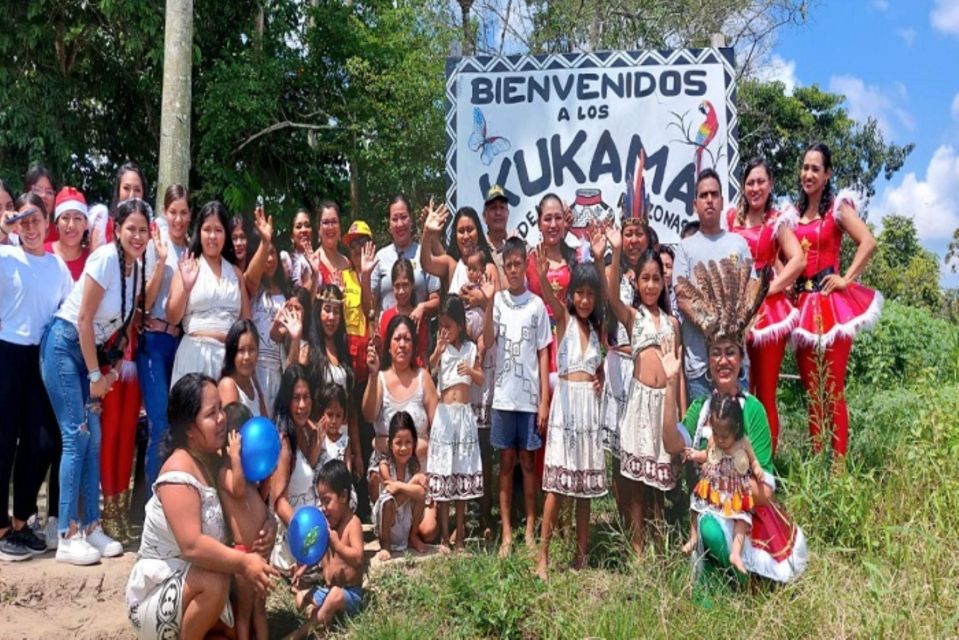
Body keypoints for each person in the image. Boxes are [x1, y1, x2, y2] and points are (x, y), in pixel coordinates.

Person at [665, 254, 808, 587]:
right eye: (716, 353)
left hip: (746, 515)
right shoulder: (701, 407)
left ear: (742, 358)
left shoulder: (753, 409)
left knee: (714, 527)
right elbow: (675, 445)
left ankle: (743, 578)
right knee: (708, 528)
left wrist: (725, 491)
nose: (722, 360)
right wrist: (669, 386)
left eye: (730, 352)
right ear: (709, 360)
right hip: (709, 510)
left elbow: (764, 489)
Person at [41, 198, 152, 565]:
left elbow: (118, 329)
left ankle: (91, 526)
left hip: (91, 357)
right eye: (131, 228)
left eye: (143, 230)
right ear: (117, 229)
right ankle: (67, 533)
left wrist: (109, 371)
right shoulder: (105, 259)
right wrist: (94, 375)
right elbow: (85, 320)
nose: (137, 236)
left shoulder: (135, 269)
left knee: (95, 437)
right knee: (77, 435)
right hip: (63, 348)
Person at [126, 373, 278, 639]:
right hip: (158, 592)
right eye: (211, 414)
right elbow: (192, 545)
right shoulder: (177, 473)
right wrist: (244, 561)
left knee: (244, 622)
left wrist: (268, 527)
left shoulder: (214, 460)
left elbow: (246, 502)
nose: (222, 419)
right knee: (215, 582)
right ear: (189, 429)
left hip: (193, 583)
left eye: (221, 409)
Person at [790, 143, 881, 457]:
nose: (808, 174)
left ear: (827, 174)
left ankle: (839, 468)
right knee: (812, 392)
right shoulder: (793, 216)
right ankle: (817, 461)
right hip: (802, 307)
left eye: (816, 168)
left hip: (832, 306)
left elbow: (868, 242)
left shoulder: (837, 210)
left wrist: (846, 278)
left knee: (833, 389)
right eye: (805, 167)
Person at [0, 195, 73, 562]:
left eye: (36, 221)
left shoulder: (59, 268)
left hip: (41, 358)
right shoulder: (5, 257)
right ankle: (1, 529)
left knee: (42, 441)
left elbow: (70, 311)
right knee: (2, 440)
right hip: (6, 353)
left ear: (48, 223)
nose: (30, 228)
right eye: (23, 222)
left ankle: (20, 520)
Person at [535, 231, 609, 579]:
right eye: (578, 293)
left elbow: (602, 366)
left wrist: (602, 377)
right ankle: (543, 557)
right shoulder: (563, 321)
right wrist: (539, 273)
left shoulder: (597, 331)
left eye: (589, 294)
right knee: (556, 487)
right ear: (570, 295)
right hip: (566, 410)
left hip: (589, 411)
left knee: (584, 491)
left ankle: (581, 556)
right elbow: (551, 298)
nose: (584, 300)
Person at [606, 228, 683, 555]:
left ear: (664, 282)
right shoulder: (632, 317)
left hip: (663, 408)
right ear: (636, 282)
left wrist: (680, 416)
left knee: (659, 483)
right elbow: (610, 296)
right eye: (645, 279)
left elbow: (676, 375)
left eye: (656, 279)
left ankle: (659, 544)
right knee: (637, 483)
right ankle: (637, 547)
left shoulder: (672, 323)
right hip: (638, 405)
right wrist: (617, 251)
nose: (651, 285)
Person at [726, 158, 805, 452]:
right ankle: (739, 463)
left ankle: (767, 470)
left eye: (761, 181)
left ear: (770, 184)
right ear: (743, 186)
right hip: (736, 309)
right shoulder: (731, 218)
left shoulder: (776, 221)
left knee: (766, 393)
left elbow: (798, 259)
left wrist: (771, 288)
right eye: (750, 182)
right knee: (740, 389)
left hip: (769, 312)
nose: (755, 187)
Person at [483, 236, 552, 557]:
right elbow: (486, 340)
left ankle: (529, 528)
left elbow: (542, 354)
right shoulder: (497, 302)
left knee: (527, 463)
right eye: (507, 265)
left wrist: (543, 402)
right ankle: (507, 532)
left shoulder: (537, 305)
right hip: (503, 398)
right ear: (504, 267)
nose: (512, 270)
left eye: (517, 264)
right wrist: (485, 303)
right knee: (506, 463)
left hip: (528, 400)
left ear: (526, 265)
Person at [673, 169, 751, 401]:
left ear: (722, 201)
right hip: (700, 364)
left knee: (737, 432)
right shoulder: (685, 248)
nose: (709, 200)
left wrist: (730, 330)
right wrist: (713, 326)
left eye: (714, 194)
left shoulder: (738, 244)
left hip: (735, 363)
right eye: (704, 195)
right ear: (694, 203)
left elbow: (751, 291)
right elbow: (682, 297)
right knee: (702, 433)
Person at [601, 208, 656, 514]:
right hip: (618, 366)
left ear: (647, 236)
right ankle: (625, 521)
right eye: (628, 233)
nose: (633, 240)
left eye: (639, 233)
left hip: (647, 369)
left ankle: (649, 519)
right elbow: (608, 301)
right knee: (621, 452)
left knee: (646, 445)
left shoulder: (654, 273)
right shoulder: (614, 271)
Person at [138, 185, 191, 494]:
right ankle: (150, 505)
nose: (179, 219)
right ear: (164, 212)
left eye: (184, 212)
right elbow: (144, 301)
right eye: (173, 212)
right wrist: (160, 262)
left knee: (178, 426)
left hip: (180, 344)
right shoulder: (155, 244)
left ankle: (173, 499)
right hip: (153, 342)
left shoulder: (192, 248)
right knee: (159, 424)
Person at [167, 200, 250, 386]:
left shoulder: (236, 274)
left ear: (226, 235)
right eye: (207, 229)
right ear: (199, 232)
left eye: (218, 230)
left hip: (228, 361)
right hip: (194, 355)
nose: (212, 236)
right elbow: (172, 317)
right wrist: (186, 287)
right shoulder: (188, 265)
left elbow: (246, 323)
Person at [682, 394, 765, 574]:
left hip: (735, 490)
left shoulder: (743, 443)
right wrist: (696, 455)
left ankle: (735, 552)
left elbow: (754, 461)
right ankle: (694, 537)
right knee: (696, 508)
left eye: (724, 437)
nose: (720, 440)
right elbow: (707, 455)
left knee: (741, 521)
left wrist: (757, 470)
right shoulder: (714, 440)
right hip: (713, 488)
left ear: (735, 428)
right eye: (717, 434)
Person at [427, 295, 484, 553]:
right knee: (444, 474)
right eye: (442, 326)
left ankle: (459, 534)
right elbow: (430, 369)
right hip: (445, 416)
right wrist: (438, 350)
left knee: (460, 474)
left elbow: (481, 379)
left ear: (460, 325)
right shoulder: (442, 348)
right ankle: (442, 536)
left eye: (449, 326)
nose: (445, 331)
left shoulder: (471, 349)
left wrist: (469, 371)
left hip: (464, 416)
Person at [363, 314, 439, 504]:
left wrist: (385, 443)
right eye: (397, 339)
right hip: (386, 469)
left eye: (407, 339)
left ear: (414, 346)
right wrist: (372, 375)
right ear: (389, 346)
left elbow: (438, 431)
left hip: (420, 466)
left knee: (427, 531)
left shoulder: (424, 378)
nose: (402, 344)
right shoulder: (379, 378)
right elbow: (368, 414)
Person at [290, 459, 365, 640]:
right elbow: (319, 551)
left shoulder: (352, 524)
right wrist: (303, 568)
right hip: (328, 590)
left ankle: (301, 633)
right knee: (301, 598)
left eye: (327, 501)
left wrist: (337, 545)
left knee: (335, 596)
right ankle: (322, 617)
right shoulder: (327, 525)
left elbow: (358, 558)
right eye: (321, 501)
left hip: (349, 594)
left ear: (344, 496)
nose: (323, 508)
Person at [219, 407, 270, 640]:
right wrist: (235, 458)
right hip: (242, 554)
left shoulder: (250, 475)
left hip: (259, 552)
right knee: (245, 611)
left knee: (261, 608)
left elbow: (257, 496)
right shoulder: (224, 473)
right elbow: (238, 491)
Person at [272, 365, 327, 574]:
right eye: (296, 398)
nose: (302, 405)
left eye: (307, 397)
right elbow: (279, 502)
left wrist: (313, 453)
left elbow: (302, 478)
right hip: (295, 535)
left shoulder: (305, 432)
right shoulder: (284, 442)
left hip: (312, 524)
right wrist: (305, 535)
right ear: (287, 400)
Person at [240, 203, 286, 412]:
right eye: (264, 253)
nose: (269, 259)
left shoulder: (286, 292)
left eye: (273, 253)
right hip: (254, 370)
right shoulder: (253, 290)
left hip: (279, 370)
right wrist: (265, 241)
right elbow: (249, 277)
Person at [370, 195, 440, 321]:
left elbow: (437, 300)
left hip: (419, 335)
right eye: (395, 219)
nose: (400, 224)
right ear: (389, 224)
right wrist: (365, 276)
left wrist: (422, 307)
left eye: (404, 217)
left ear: (411, 220)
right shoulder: (380, 257)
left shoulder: (424, 254)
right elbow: (370, 307)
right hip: (388, 335)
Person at [372, 412, 430, 560]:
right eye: (398, 443)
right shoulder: (384, 467)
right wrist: (413, 481)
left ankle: (413, 536)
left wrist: (402, 485)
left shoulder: (414, 467)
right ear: (391, 444)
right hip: (388, 523)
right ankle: (385, 545)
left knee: (420, 494)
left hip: (406, 522)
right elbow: (392, 492)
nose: (403, 448)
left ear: (414, 443)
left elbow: (421, 494)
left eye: (408, 442)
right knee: (388, 501)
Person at [379, 259, 431, 367]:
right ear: (392, 287)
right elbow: (383, 352)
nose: (401, 291)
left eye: (405, 285)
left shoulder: (418, 316)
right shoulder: (386, 317)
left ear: (412, 285)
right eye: (397, 286)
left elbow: (423, 354)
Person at [218, 319, 268, 417]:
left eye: (252, 349)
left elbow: (266, 422)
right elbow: (233, 430)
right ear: (232, 353)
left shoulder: (253, 382)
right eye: (241, 350)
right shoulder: (228, 385)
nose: (247, 357)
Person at [45, 187, 90, 280]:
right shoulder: (42, 253)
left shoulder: (92, 261)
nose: (71, 225)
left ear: (86, 224)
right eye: (65, 218)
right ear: (56, 223)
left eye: (77, 218)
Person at [279, 208, 315, 289]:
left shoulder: (319, 258)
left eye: (307, 226)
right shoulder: (287, 260)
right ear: (292, 236)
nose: (304, 230)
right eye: (298, 227)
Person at [23, 164, 58, 242]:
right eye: (37, 190)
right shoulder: (13, 231)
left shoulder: (61, 235)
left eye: (49, 192)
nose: (43, 195)